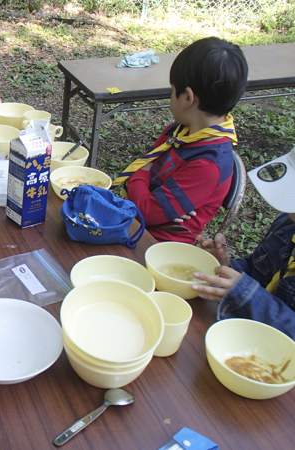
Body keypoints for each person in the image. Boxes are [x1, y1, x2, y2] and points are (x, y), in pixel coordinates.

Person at [111, 37, 248, 243]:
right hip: (136, 219)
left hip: (156, 243)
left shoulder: (208, 165)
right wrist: (145, 189)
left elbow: (147, 211)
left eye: (173, 90)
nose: (171, 96)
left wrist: (139, 180)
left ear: (187, 98)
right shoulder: (180, 131)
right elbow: (146, 171)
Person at [192, 146, 295, 340]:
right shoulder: (289, 222)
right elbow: (256, 268)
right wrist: (225, 265)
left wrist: (247, 295)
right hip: (239, 333)